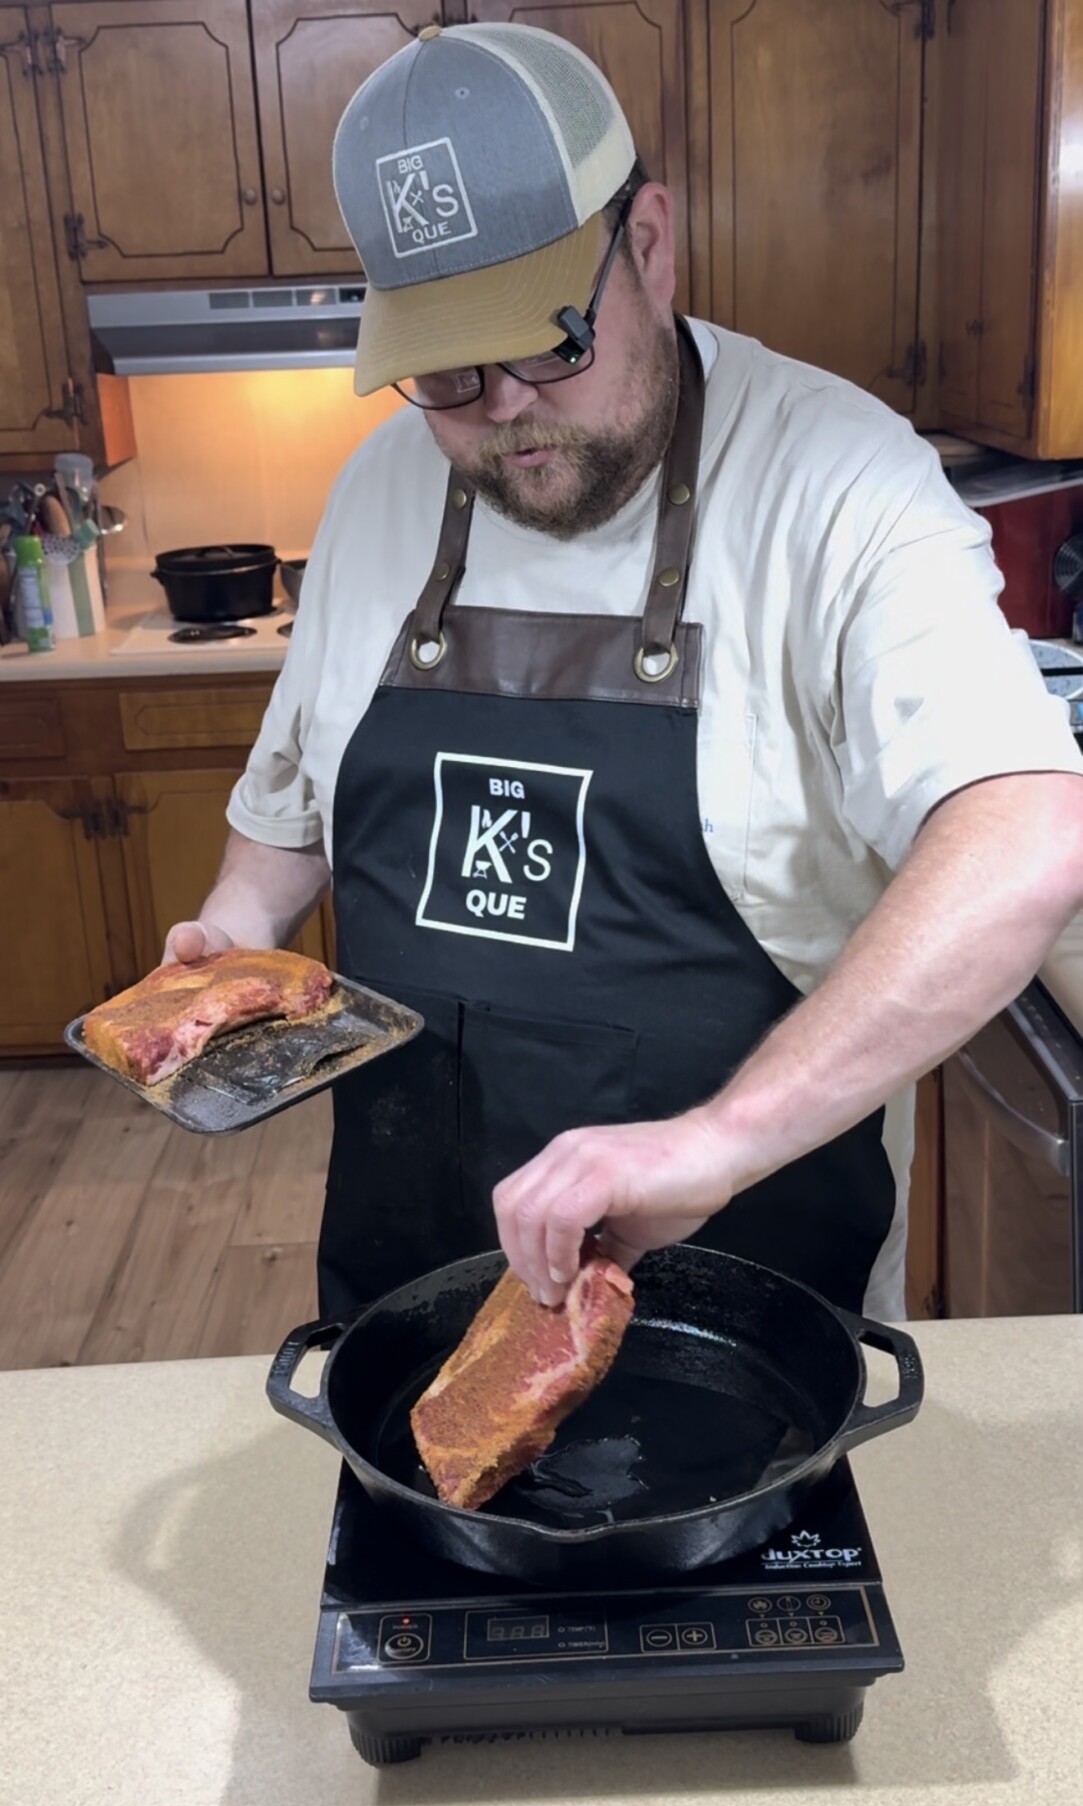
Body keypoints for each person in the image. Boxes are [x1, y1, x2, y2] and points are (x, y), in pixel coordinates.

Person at [165, 23, 1083, 1325]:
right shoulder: (382, 485)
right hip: (410, 1264)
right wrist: (238, 938)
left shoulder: (835, 479)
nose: (498, 414)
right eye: (444, 371)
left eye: (546, 344)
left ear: (648, 243)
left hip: (749, 1294)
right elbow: (287, 811)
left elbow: (1032, 829)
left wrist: (709, 1143)